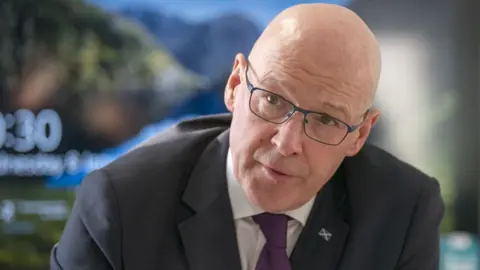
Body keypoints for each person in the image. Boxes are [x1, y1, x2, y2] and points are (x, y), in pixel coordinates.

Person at [50, 3, 444, 270]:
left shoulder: (403, 211)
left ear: (359, 136)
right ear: (236, 85)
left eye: (325, 120)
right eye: (272, 99)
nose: (286, 143)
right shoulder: (119, 204)